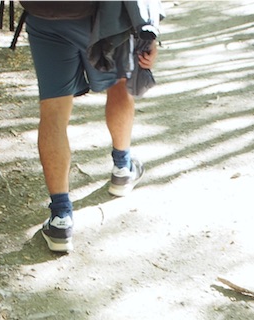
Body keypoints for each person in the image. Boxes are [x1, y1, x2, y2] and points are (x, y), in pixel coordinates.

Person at [21, 1, 162, 253]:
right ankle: (122, 167)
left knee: (52, 110)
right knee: (119, 84)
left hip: (44, 13)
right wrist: (148, 30)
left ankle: (61, 218)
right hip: (105, 18)